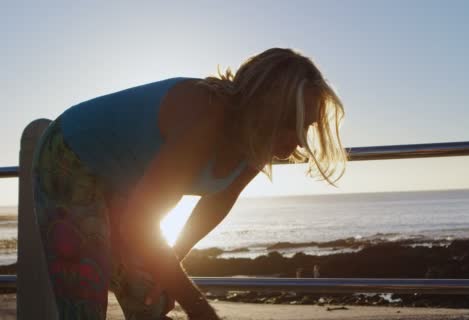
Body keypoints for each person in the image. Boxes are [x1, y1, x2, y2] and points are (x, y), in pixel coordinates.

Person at [32, 48, 347, 319]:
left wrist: (174, 261)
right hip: (71, 157)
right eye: (292, 126)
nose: (298, 145)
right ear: (266, 111)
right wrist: (199, 308)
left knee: (147, 294)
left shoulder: (258, 142)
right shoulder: (204, 119)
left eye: (306, 127)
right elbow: (140, 226)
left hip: (124, 179)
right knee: (84, 296)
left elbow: (216, 202)